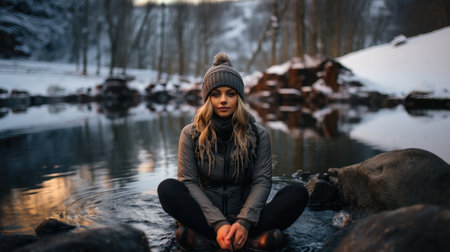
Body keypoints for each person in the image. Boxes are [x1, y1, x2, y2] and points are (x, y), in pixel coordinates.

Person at [158, 52, 309, 251]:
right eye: (215, 94)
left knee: (298, 193)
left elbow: (262, 181)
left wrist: (244, 222)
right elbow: (188, 183)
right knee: (168, 188)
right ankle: (247, 241)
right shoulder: (190, 134)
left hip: (246, 217)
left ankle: (218, 239)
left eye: (230, 93)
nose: (223, 100)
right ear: (207, 98)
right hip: (206, 216)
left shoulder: (258, 133)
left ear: (239, 97)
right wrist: (219, 224)